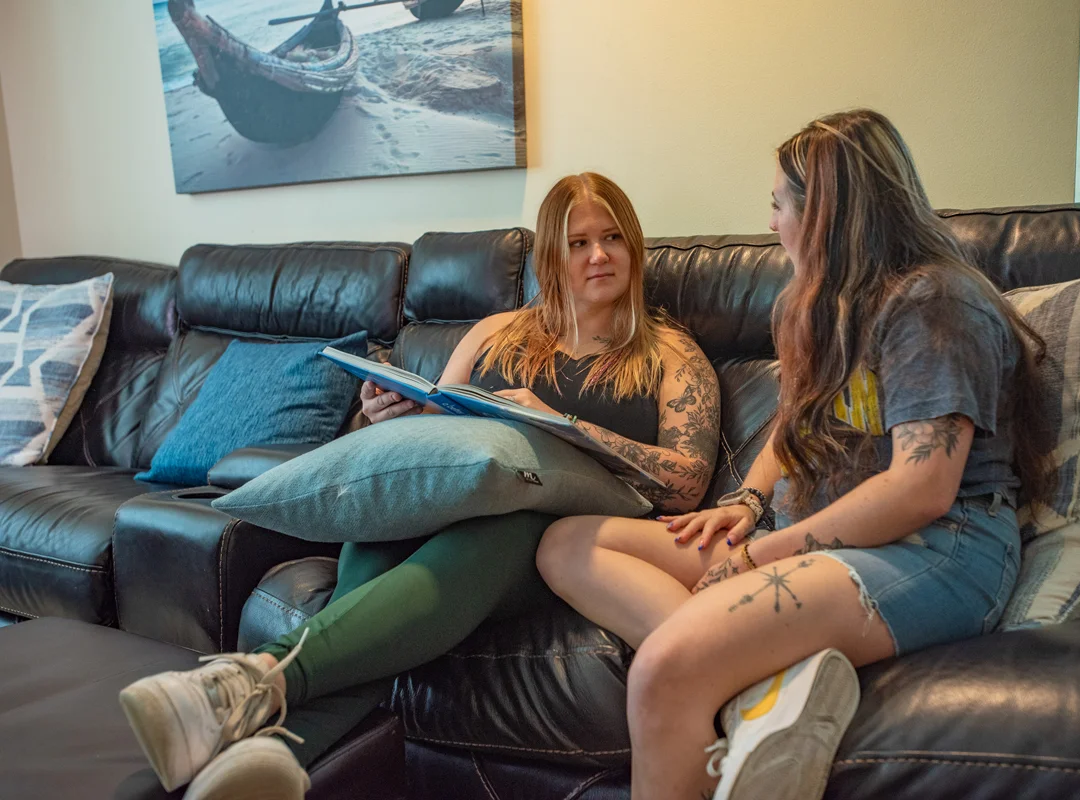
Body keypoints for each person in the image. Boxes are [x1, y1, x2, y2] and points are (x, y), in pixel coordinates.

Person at [117, 172, 721, 800]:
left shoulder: (668, 354)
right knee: (392, 515)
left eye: (613, 237)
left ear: (635, 247)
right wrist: (386, 416)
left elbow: (685, 482)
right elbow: (437, 437)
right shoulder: (494, 332)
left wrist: (563, 426)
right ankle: (263, 758)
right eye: (578, 242)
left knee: (500, 529)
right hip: (446, 503)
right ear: (549, 254)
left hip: (546, 532)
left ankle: (249, 681)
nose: (599, 255)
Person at [536, 109, 1052, 800]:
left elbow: (922, 488)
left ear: (827, 214)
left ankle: (727, 670)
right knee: (567, 544)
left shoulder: (934, 303)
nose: (772, 222)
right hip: (815, 537)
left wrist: (757, 559)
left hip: (935, 546)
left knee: (666, 667)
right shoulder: (822, 305)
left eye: (779, 205)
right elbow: (792, 421)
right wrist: (746, 505)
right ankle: (764, 695)